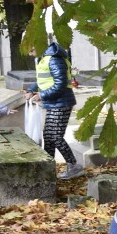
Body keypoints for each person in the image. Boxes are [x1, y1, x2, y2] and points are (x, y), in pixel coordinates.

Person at [25, 42, 83, 179]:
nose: (28, 53)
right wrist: (31, 90)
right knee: (48, 136)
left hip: (62, 103)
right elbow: (43, 80)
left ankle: (74, 166)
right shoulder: (45, 59)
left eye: (30, 48)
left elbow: (61, 84)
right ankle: (48, 169)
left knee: (55, 136)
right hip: (54, 103)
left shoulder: (54, 59)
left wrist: (41, 95)